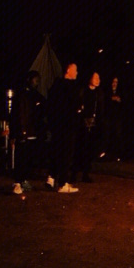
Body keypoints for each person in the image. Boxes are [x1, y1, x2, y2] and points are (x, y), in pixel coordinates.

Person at [10, 71, 47, 195]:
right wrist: (21, 130)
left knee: (28, 157)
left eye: (38, 80)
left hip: (32, 130)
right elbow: (20, 114)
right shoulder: (22, 95)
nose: (37, 83)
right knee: (21, 156)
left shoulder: (34, 95)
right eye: (35, 80)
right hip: (24, 131)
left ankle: (23, 179)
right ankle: (18, 181)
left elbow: (42, 106)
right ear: (29, 80)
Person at [46, 63, 80, 193]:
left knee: (57, 151)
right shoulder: (70, 87)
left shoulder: (56, 86)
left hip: (57, 126)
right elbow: (73, 106)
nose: (77, 73)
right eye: (75, 70)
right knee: (66, 154)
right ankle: (63, 183)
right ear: (69, 71)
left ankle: (52, 177)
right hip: (67, 125)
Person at [73, 71, 105, 183]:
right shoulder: (83, 91)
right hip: (82, 124)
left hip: (93, 124)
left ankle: (86, 173)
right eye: (95, 78)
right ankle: (74, 173)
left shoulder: (98, 93)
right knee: (79, 149)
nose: (98, 80)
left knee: (89, 149)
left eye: (99, 78)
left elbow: (101, 109)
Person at [101, 76, 125, 160]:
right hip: (107, 117)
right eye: (113, 82)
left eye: (116, 82)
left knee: (117, 135)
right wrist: (111, 98)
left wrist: (119, 100)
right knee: (106, 135)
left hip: (117, 118)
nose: (114, 84)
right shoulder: (106, 92)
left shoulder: (120, 92)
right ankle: (103, 153)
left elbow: (124, 103)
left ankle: (117, 154)